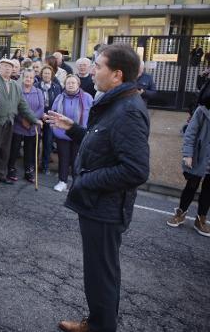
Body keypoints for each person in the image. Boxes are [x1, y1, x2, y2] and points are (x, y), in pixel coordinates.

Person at [45, 43, 150, 332]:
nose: (93, 70)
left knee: (101, 273)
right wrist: (74, 129)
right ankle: (98, 322)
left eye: (98, 66)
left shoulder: (128, 109)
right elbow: (104, 142)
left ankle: (100, 327)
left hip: (104, 208)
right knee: (99, 272)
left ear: (117, 74)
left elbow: (136, 169)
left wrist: (86, 180)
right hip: (97, 205)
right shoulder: (115, 102)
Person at [0, 59, 41, 186]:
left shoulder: (15, 85)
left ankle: (1, 175)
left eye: (10, 66)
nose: (8, 69)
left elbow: (23, 105)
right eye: (4, 66)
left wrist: (34, 119)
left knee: (5, 151)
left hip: (9, 122)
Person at [166, 95, 210, 236]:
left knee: (208, 190)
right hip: (199, 155)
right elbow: (190, 133)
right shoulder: (202, 110)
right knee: (191, 185)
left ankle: (201, 219)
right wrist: (188, 154)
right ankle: (180, 213)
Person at [51, 75, 93, 192]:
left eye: (73, 83)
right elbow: (53, 112)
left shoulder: (87, 97)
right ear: (65, 84)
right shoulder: (59, 97)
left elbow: (93, 114)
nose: (70, 85)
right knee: (63, 158)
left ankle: (76, 183)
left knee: (77, 160)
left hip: (79, 134)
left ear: (78, 84)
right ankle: (62, 181)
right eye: (68, 83)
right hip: (62, 133)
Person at [7, 69, 44, 184]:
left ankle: (29, 171)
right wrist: (22, 120)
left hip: (33, 127)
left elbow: (41, 108)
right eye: (26, 77)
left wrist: (31, 120)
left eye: (31, 77)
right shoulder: (17, 90)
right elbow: (14, 107)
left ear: (34, 79)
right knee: (14, 149)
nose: (28, 79)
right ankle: (11, 169)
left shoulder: (38, 91)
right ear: (23, 78)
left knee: (30, 151)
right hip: (18, 125)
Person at [36, 65, 62, 175]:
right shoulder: (36, 86)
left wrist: (50, 115)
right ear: (41, 74)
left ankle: (45, 165)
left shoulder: (56, 87)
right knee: (35, 141)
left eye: (48, 73)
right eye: (45, 73)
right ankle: (33, 164)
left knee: (48, 142)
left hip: (51, 117)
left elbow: (58, 102)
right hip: (38, 116)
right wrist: (40, 114)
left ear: (52, 75)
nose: (46, 75)